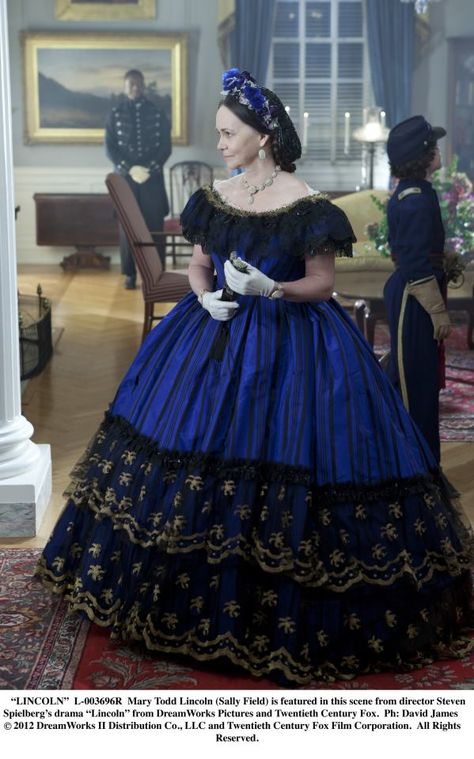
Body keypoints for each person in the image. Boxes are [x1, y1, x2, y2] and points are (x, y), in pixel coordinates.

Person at [36, 71, 473, 687]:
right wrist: (205, 297)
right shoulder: (216, 194)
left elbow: (322, 284)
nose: (219, 143)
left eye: (228, 133)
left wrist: (272, 288)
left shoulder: (306, 202)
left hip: (293, 342)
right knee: (187, 449)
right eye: (218, 132)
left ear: (263, 137)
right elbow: (197, 266)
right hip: (210, 335)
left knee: (297, 455)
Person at [383, 116, 451, 463]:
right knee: (414, 385)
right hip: (415, 296)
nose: (438, 151)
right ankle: (415, 469)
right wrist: (437, 309)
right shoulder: (414, 199)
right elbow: (413, 263)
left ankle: (421, 468)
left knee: (418, 380)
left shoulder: (420, 192)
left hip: (416, 290)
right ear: (422, 154)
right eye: (433, 146)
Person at [105, 69, 172, 289]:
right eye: (131, 84)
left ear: (143, 86)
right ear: (125, 87)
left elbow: (165, 146)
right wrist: (129, 168)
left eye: (138, 84)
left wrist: (150, 169)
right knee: (127, 227)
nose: (135, 88)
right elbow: (110, 148)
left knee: (155, 226)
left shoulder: (157, 112)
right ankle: (129, 274)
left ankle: (155, 273)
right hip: (126, 180)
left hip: (152, 179)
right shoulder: (115, 113)